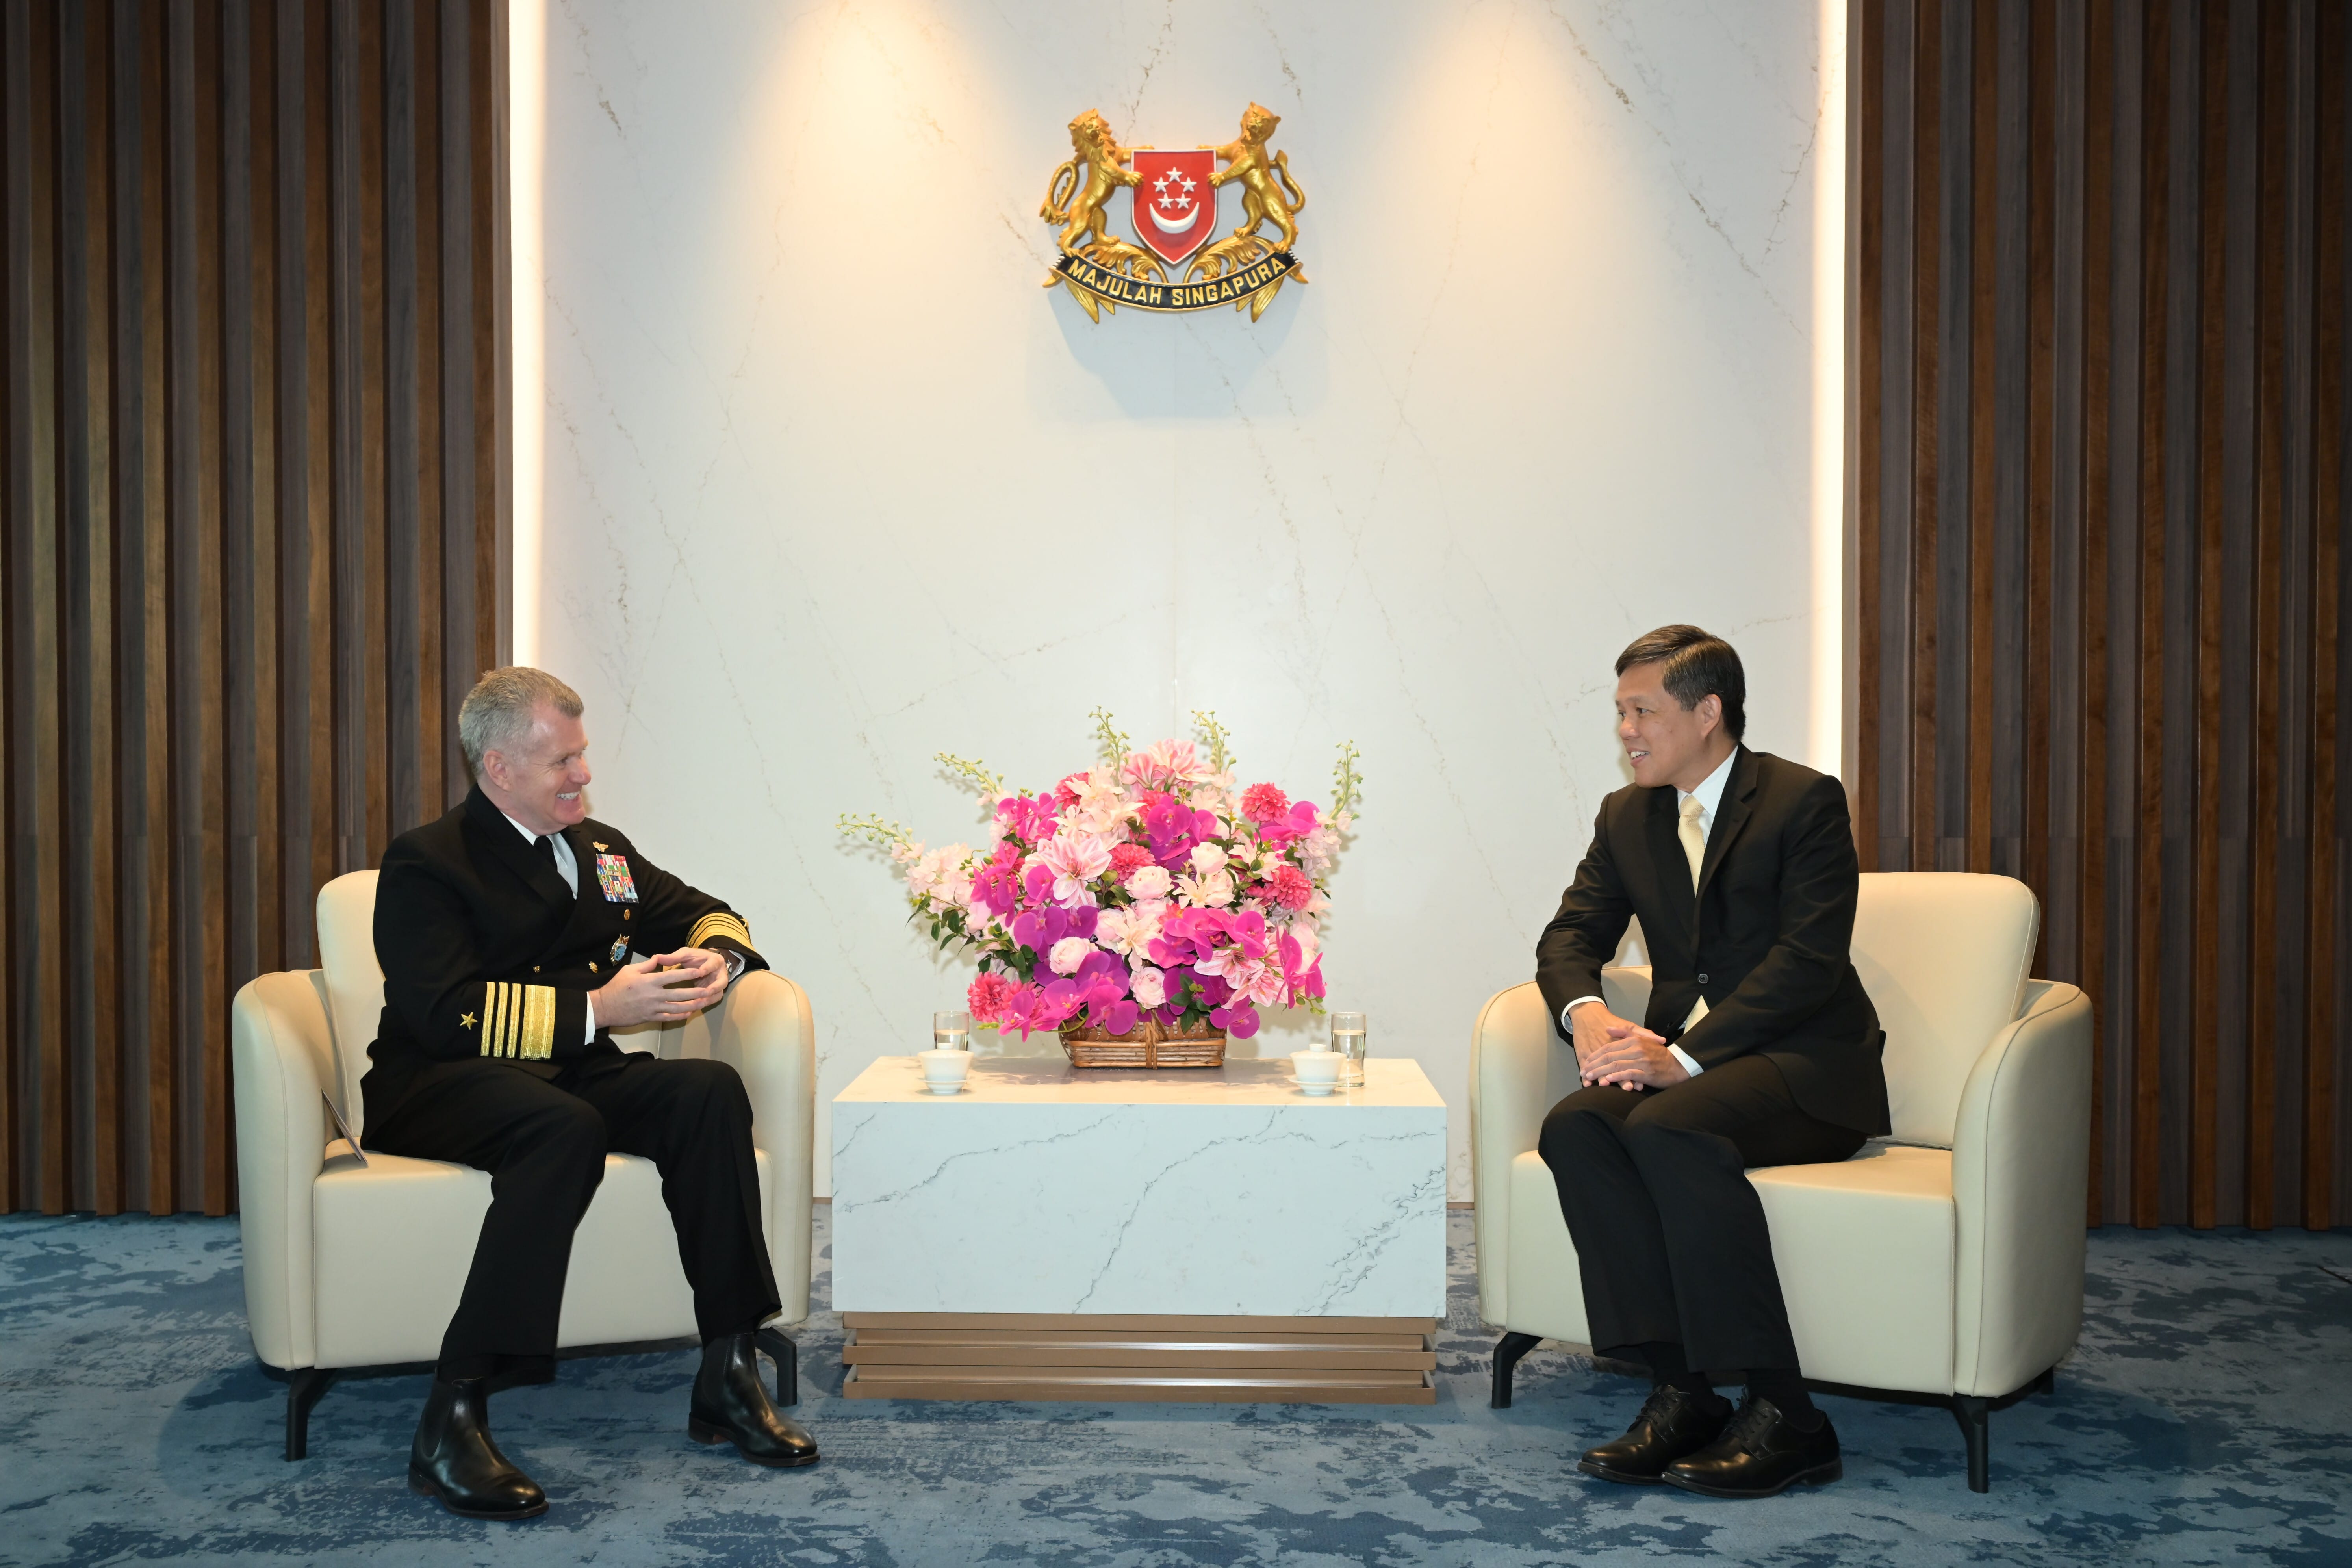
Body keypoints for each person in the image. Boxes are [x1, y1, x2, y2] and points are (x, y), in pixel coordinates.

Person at [362, 666, 817, 1521]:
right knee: (559, 1127)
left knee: (707, 1093)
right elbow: (443, 1013)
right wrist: (602, 1008)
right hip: (437, 1080)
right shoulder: (428, 861)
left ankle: (728, 1368)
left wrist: (717, 959)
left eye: (582, 755)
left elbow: (704, 911)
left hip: (564, 1073)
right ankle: (453, 1410)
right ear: (498, 767)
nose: (582, 775)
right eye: (561, 761)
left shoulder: (600, 850)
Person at [1533, 625, 1887, 1499]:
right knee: (1576, 1125)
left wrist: (1682, 1057)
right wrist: (1585, 1016)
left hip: (1804, 1067)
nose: (1626, 730)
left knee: (1668, 1123)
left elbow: (1807, 963)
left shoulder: (1803, 801)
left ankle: (1790, 1414)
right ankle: (1680, 1389)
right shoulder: (1629, 815)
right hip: (1689, 1067)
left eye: (1642, 710)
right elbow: (1570, 934)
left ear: (1707, 711)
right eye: (1620, 712)